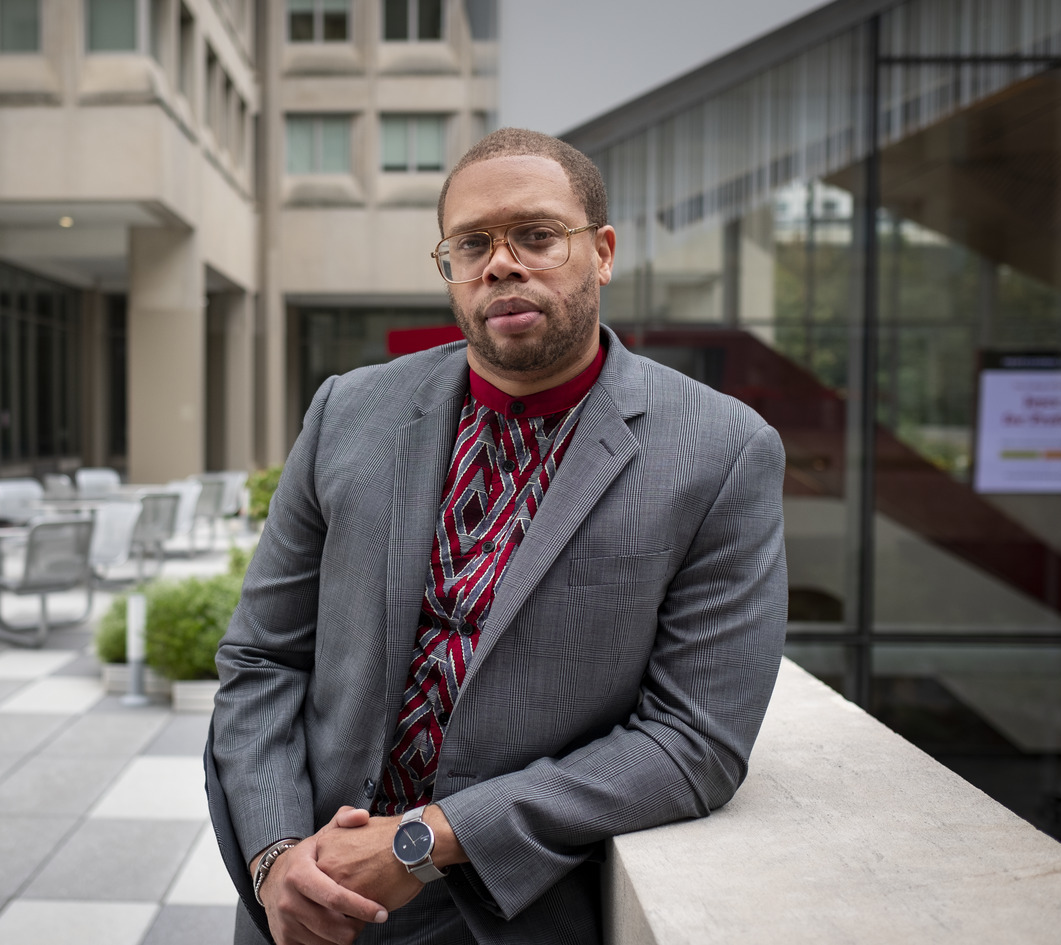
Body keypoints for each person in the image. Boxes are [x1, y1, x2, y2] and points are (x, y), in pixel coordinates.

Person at [206, 128, 788, 945]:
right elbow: (263, 656)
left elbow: (695, 740)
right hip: (307, 904)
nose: (501, 263)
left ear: (603, 251)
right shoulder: (347, 412)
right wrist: (276, 858)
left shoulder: (723, 451)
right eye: (471, 244)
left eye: (538, 236)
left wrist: (425, 840)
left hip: (510, 909)